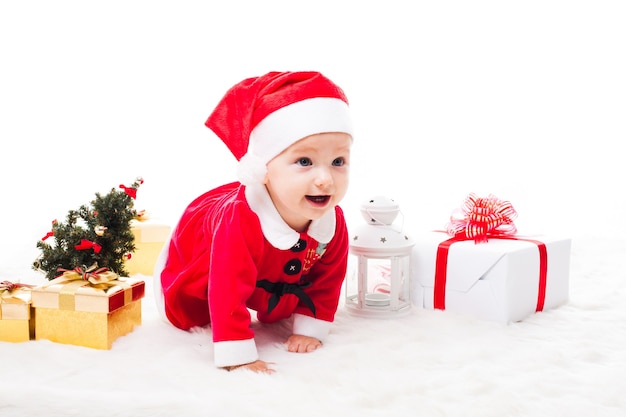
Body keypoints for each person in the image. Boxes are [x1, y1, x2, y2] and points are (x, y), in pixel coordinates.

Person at [153, 71, 354, 373]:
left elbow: (328, 277)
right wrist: (238, 353)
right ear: (264, 168)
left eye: (338, 162)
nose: (325, 179)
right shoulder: (241, 220)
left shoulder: (332, 220)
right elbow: (227, 287)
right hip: (205, 248)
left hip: (271, 265)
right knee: (187, 312)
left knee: (282, 296)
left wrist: (310, 328)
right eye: (304, 162)